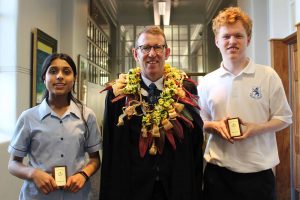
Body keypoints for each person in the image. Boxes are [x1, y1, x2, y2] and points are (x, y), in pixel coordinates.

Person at [198, 7, 292, 200]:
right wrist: (213, 126)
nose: (232, 41)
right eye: (226, 37)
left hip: (259, 175)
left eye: (238, 36)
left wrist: (255, 128)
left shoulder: (267, 76)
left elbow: (284, 118)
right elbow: (201, 121)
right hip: (218, 174)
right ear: (217, 41)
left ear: (248, 39)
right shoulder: (207, 81)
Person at [99, 26, 203, 200]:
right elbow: (110, 146)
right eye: (145, 48)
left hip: (175, 185)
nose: (152, 54)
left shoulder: (185, 90)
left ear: (167, 52)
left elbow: (195, 142)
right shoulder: (118, 93)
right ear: (135, 53)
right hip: (133, 187)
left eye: (158, 47)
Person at [8, 53, 101, 200]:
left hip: (76, 195)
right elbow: (13, 163)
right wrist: (33, 173)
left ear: (75, 78)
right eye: (53, 71)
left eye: (66, 71)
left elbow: (95, 159)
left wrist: (83, 174)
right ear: (44, 77)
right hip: (38, 195)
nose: (59, 76)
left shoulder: (87, 116)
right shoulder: (28, 117)